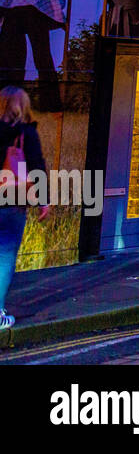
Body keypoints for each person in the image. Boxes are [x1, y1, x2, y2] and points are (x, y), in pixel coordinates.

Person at [0, 86, 50, 330]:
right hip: (11, 201)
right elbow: (37, 167)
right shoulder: (26, 134)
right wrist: (43, 200)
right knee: (5, 256)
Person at [0, 0, 68, 111]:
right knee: (11, 57)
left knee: (43, 56)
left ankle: (50, 104)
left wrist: (59, 16)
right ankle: (8, 102)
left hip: (37, 11)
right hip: (16, 10)